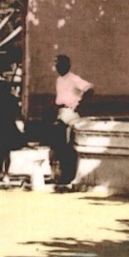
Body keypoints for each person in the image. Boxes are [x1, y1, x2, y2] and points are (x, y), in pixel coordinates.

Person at [51, 54, 94, 188]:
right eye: (56, 65)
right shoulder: (59, 80)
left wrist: (79, 102)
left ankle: (67, 175)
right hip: (60, 111)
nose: (58, 67)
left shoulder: (74, 78)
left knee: (67, 144)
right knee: (57, 145)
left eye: (60, 64)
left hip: (70, 113)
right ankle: (59, 173)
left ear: (67, 65)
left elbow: (90, 88)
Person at [0, 79, 25, 183]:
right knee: (7, 151)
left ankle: (0, 171)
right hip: (9, 125)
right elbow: (17, 113)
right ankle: (6, 172)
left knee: (0, 150)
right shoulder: (12, 99)